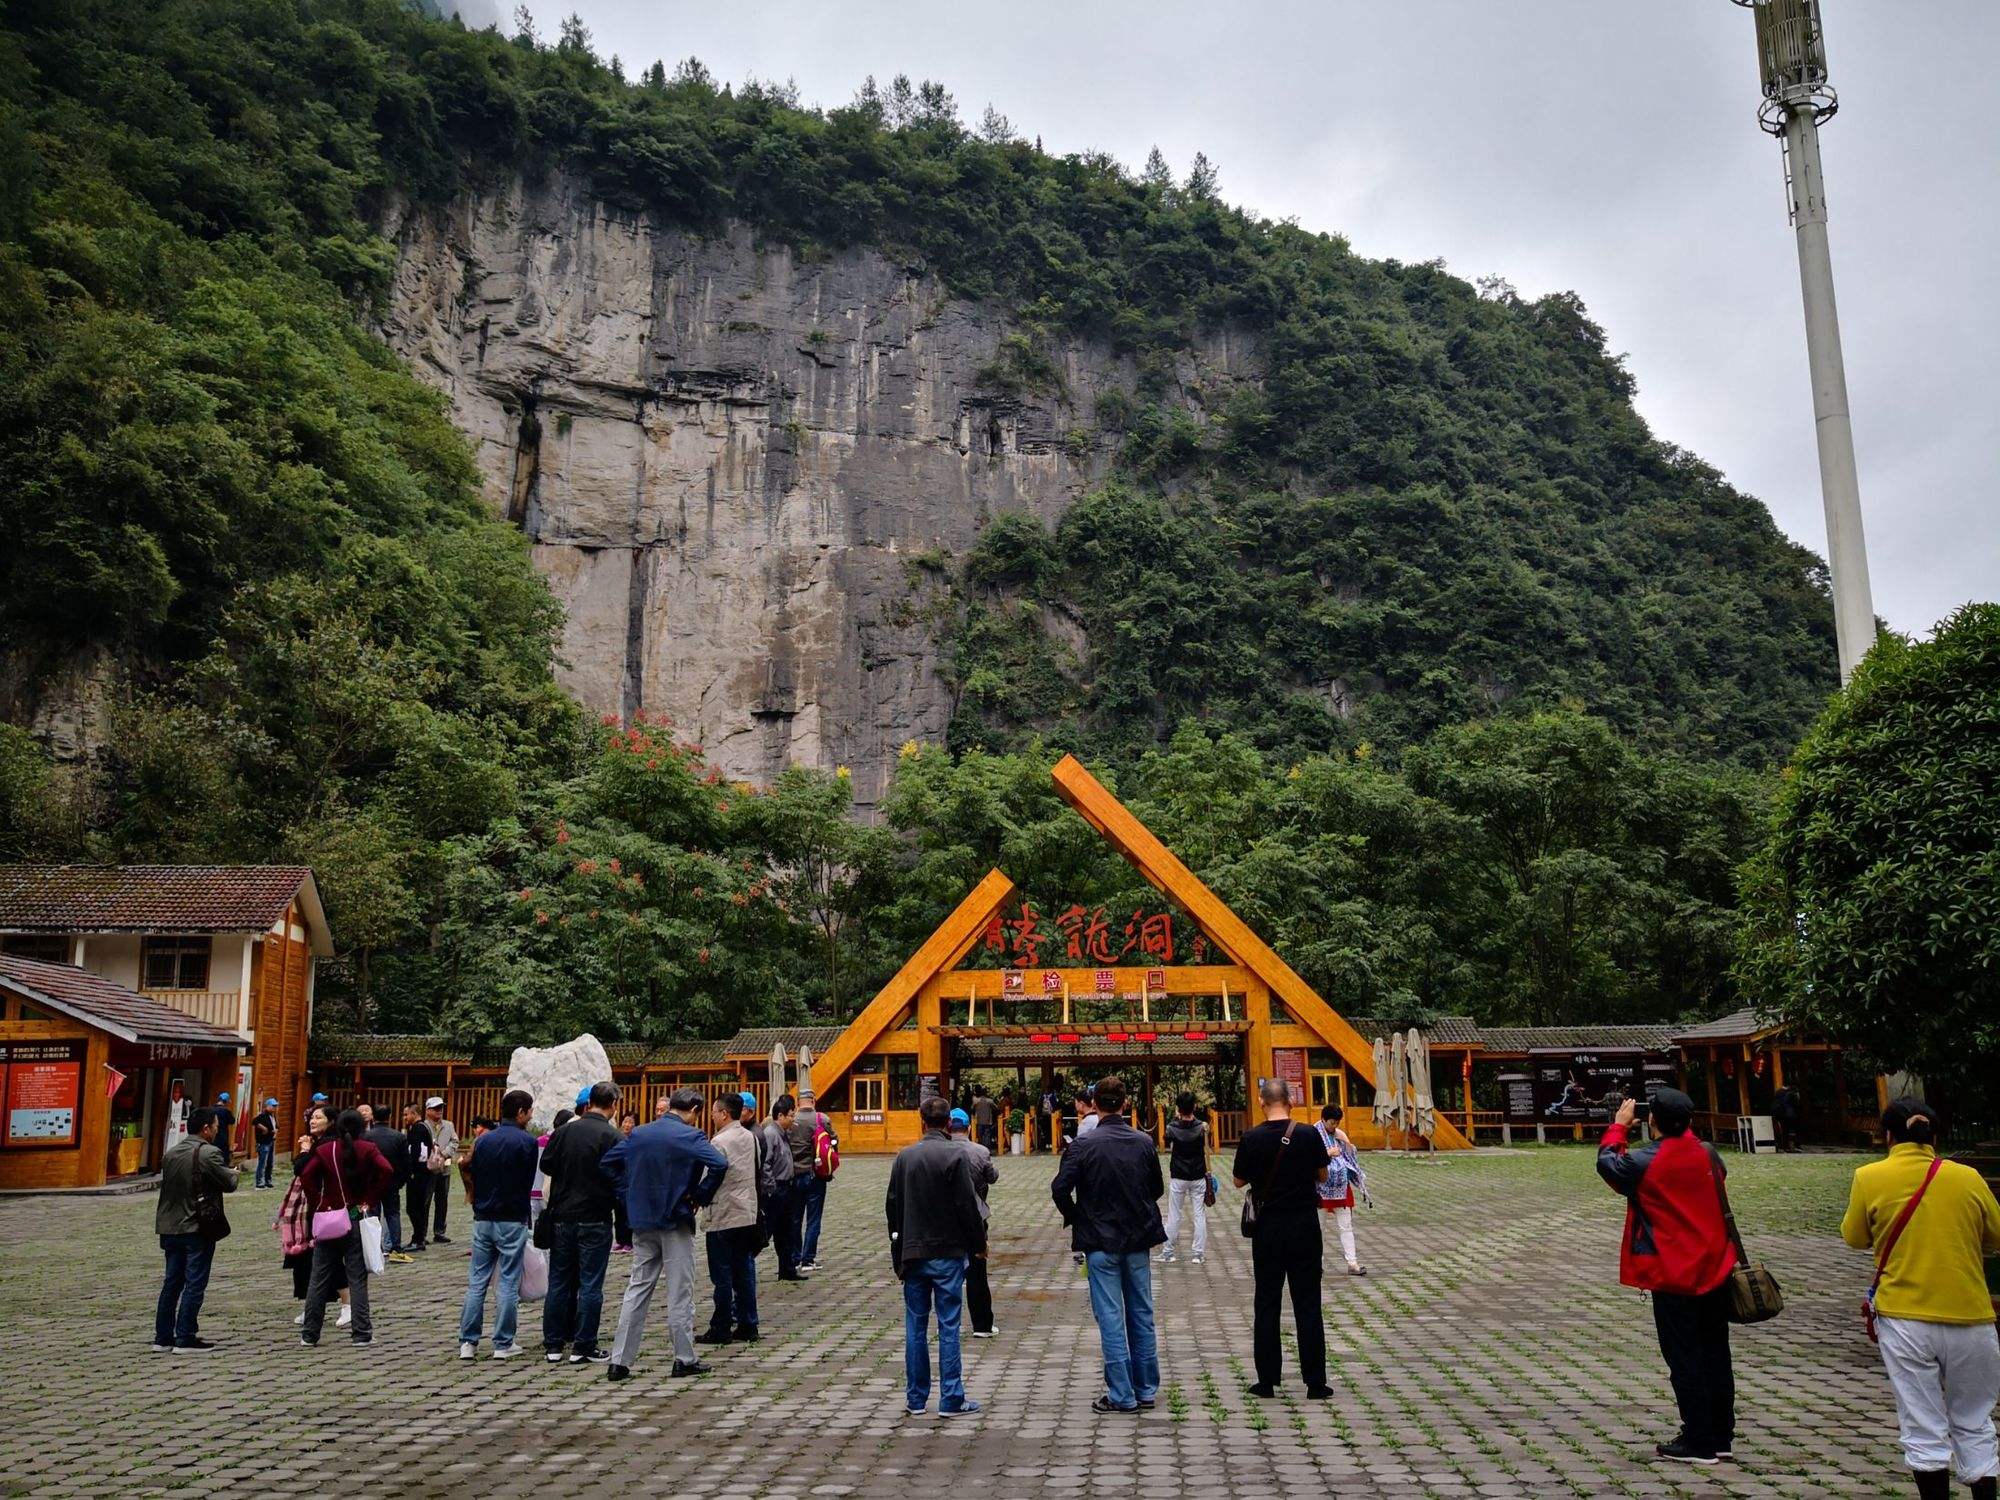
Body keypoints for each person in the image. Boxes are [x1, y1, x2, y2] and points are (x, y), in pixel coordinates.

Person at [1841, 1098, 2000, 1500]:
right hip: (1971, 1317)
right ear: (1935, 1135)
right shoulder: (1969, 1178)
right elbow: (1996, 1236)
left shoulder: (1869, 1176)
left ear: (1888, 1135)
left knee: (1922, 1421)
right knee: (1976, 1419)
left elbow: (1855, 1236)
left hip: (1906, 1318)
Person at [1596, 1087, 1738, 1466]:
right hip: (1715, 1266)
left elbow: (1609, 1164)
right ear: (1690, 1120)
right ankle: (1722, 1434)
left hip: (1675, 1272)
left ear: (1653, 1122)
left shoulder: (1645, 1162)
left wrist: (1617, 1127)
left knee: (1685, 1357)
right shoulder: (1710, 1155)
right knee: (1715, 1354)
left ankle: (1699, 1439)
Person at [1051, 1076, 1164, 1413]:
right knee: (1141, 1312)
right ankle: (1145, 1389)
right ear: (1125, 1103)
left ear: (1095, 1104)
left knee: (1111, 1316)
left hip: (1100, 1241)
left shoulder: (1083, 1146)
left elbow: (1059, 1188)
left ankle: (1121, 1394)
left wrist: (1076, 1216)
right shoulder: (1143, 1142)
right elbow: (1156, 1188)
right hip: (1137, 1238)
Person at [601, 1087, 728, 1381]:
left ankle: (619, 1360)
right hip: (676, 1220)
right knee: (679, 1291)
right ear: (694, 1111)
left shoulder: (640, 1134)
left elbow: (607, 1164)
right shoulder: (690, 1136)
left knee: (637, 1288)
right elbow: (720, 1164)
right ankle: (683, 1357)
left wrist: (628, 1193)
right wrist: (699, 1195)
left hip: (642, 1220)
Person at [1232, 1078, 1332, 1401]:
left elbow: (1237, 1180)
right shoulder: (1307, 1134)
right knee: (1308, 1304)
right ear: (1290, 1100)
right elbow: (1322, 1175)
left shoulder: (1251, 1137)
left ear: (1262, 1102)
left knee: (1267, 1303)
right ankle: (1315, 1382)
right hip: (1304, 1226)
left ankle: (1266, 1380)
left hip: (1268, 1231)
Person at [887, 1094, 986, 1417]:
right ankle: (951, 1397)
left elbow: (892, 1207)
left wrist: (897, 1252)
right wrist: (978, 1243)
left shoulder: (904, 1157)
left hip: (913, 1251)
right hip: (948, 1251)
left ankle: (916, 1398)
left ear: (921, 1121)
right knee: (948, 1325)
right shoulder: (954, 1156)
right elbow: (966, 1205)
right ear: (948, 1124)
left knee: (915, 1326)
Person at [297, 1108, 393, 1348]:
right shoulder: (367, 1149)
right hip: (354, 1216)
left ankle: (310, 1334)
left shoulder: (324, 1150)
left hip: (328, 1218)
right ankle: (361, 1333)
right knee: (357, 1277)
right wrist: (370, 1198)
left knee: (318, 1277)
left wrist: (317, 1201)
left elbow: (306, 1176)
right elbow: (387, 1170)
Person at [540, 1082, 621, 1364]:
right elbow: (619, 1178)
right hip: (595, 1218)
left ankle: (553, 1344)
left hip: (562, 1216)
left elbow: (546, 1165)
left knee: (559, 1281)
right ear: (612, 1103)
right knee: (590, 1283)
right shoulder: (612, 1136)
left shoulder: (562, 1132)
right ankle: (583, 1345)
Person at [458, 1089, 538, 1360]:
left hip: (483, 1217)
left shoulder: (483, 1141)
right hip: (512, 1217)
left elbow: (465, 1165)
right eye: (529, 1111)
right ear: (521, 1113)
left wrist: (472, 1192)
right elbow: (527, 1179)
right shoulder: (527, 1142)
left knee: (477, 1281)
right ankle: (503, 1342)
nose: (530, 1115)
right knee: (507, 1281)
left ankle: (468, 1342)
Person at [153, 1105, 236, 1352]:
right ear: (206, 1128)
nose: (216, 1132)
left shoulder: (171, 1153)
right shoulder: (208, 1153)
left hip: (169, 1226)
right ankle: (185, 1336)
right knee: (195, 1282)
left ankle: (163, 1336)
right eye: (215, 1127)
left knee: (172, 1282)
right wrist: (233, 1173)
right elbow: (228, 1183)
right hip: (195, 1226)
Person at [699, 1093, 762, 1347]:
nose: (712, 1116)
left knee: (722, 1274)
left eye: (714, 1112)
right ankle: (749, 1323)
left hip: (723, 1213)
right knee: (744, 1270)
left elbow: (712, 1174)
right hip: (746, 1212)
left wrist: (698, 1197)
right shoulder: (752, 1137)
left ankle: (721, 1325)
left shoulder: (718, 1142)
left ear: (724, 1114)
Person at [285, 1107, 351, 1330]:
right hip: (314, 1209)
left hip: (325, 1209)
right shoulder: (320, 1142)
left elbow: (302, 1169)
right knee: (309, 1259)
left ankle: (347, 1305)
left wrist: (305, 1151)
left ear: (331, 1121)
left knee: (327, 1257)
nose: (313, 1121)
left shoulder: (327, 1144)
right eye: (311, 1117)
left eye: (318, 1117)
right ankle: (312, 1305)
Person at [947, 1107, 1001, 1336]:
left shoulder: (939, 1151)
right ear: (969, 1127)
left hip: (946, 1219)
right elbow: (993, 1177)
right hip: (976, 1217)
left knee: (947, 1271)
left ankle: (948, 1323)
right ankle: (982, 1325)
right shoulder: (980, 1151)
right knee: (977, 1270)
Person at [1314, 1103, 1367, 1276]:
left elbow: (1350, 1154)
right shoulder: (1313, 1134)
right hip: (1321, 1188)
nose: (1334, 1126)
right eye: (1331, 1123)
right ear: (1323, 1119)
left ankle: (1352, 1263)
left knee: (1346, 1226)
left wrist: (1346, 1144)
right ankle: (1316, 1263)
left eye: (1337, 1123)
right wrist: (1328, 1153)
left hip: (1341, 1186)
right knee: (1318, 1228)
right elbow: (1309, 1158)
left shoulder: (1338, 1134)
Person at [1159, 1092, 1209, 1266]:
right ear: (1194, 1106)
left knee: (1174, 1215)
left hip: (1179, 1175)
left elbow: (1168, 1144)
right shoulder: (1202, 1127)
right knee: (1199, 1214)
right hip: (1198, 1175)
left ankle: (1168, 1252)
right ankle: (1198, 1254)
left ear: (1178, 1108)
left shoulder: (1171, 1128)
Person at [359, 1103, 412, 1262]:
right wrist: (401, 1181)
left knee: (373, 1217)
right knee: (393, 1215)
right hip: (391, 1183)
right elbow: (406, 1163)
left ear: (373, 1117)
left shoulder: (365, 1137)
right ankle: (396, 1248)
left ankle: (374, 1249)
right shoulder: (399, 1137)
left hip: (371, 1184)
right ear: (390, 1117)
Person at [788, 1089, 835, 1272]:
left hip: (793, 1175)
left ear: (798, 1103)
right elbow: (833, 1141)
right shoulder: (821, 1119)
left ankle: (795, 1256)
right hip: (815, 1175)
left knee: (795, 1218)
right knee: (813, 1218)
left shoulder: (792, 1120)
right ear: (813, 1101)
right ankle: (808, 1259)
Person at [761, 1094, 804, 1280]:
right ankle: (746, 1261)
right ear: (780, 1116)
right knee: (768, 1229)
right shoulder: (771, 1134)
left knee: (786, 1231)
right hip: (777, 1188)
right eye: (790, 1115)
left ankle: (787, 1269)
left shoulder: (783, 1133)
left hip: (787, 1187)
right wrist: (771, 1188)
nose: (793, 1119)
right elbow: (766, 1163)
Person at [424, 1097, 458, 1245]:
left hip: (444, 1167)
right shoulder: (422, 1126)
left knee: (442, 1201)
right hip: (427, 1170)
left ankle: (439, 1231)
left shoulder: (449, 1125)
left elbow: (455, 1141)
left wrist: (444, 1153)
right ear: (428, 1110)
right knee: (425, 1201)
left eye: (441, 1107)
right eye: (436, 1108)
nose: (439, 1111)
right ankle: (422, 1233)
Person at [402, 1104, 434, 1252]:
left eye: (406, 1114)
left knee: (414, 1207)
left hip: (418, 1174)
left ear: (414, 1114)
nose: (405, 1118)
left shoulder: (418, 1129)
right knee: (418, 1207)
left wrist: (412, 1170)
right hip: (422, 1173)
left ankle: (419, 1238)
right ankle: (419, 1237)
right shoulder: (422, 1127)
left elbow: (418, 1152)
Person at [612, 1110, 638, 1253]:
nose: (627, 1125)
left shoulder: (636, 1140)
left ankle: (629, 1241)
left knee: (628, 1213)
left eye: (631, 1122)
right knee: (618, 1213)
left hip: (630, 1181)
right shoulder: (617, 1138)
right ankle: (620, 1240)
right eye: (625, 1121)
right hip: (618, 1180)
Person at [251, 1097, 278, 1189]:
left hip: (271, 1141)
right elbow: (254, 1121)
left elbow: (276, 1127)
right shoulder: (263, 1115)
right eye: (273, 1106)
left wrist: (275, 1132)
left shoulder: (273, 1116)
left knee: (270, 1163)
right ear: (268, 1106)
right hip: (263, 1142)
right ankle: (259, 1182)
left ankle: (268, 1180)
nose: (275, 1108)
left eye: (276, 1106)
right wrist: (263, 1128)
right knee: (262, 1162)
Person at [1771, 1085, 1803, 1153]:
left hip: (1780, 1114)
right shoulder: (1792, 1093)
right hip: (1790, 1114)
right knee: (1793, 1130)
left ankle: (1784, 1147)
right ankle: (1795, 1146)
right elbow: (1796, 1103)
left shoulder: (1778, 1092)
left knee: (1784, 1131)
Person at [209, 1091, 235, 1166]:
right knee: (224, 1157)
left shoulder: (211, 1109)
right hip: (223, 1137)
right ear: (226, 1101)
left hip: (212, 1136)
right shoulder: (226, 1111)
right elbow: (232, 1121)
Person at [972, 1087, 998, 1152]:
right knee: (987, 1136)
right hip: (988, 1121)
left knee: (980, 1136)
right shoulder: (990, 1101)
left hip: (979, 1121)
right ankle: (987, 1150)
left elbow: (972, 1108)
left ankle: (980, 1150)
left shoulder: (976, 1101)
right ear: (986, 1093)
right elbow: (996, 1109)